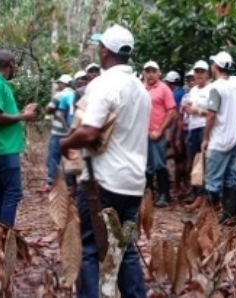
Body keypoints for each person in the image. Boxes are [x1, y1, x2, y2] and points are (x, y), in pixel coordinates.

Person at [60, 24, 150, 298]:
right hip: (132, 183)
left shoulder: (103, 84)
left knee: (89, 247)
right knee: (123, 247)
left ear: (105, 51)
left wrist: (64, 143)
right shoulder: (140, 89)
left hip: (103, 183)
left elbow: (89, 132)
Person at [0, 49, 39, 227]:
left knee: (3, 191)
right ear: (11, 65)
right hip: (3, 146)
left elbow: (4, 114)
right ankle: (6, 237)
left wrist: (21, 113)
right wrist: (24, 117)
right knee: (13, 192)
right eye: (16, 67)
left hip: (5, 145)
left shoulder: (0, 84)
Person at [202, 51, 236, 224]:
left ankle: (207, 219)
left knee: (212, 181)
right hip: (234, 138)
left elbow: (211, 115)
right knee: (230, 178)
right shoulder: (235, 86)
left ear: (215, 66)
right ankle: (230, 215)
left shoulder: (215, 88)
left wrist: (205, 138)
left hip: (219, 141)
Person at [143, 61, 177, 207]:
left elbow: (172, 112)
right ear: (144, 73)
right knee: (146, 166)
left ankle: (165, 195)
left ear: (159, 73)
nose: (150, 74)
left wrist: (160, 130)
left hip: (157, 134)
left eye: (153, 71)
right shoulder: (140, 88)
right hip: (143, 135)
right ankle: (148, 195)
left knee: (159, 165)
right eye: (148, 71)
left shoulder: (164, 89)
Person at [182, 61, 213, 208]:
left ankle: (205, 197)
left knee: (204, 163)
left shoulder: (211, 89)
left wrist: (197, 111)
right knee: (195, 163)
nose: (199, 74)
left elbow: (214, 113)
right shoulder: (193, 91)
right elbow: (189, 109)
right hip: (192, 129)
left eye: (202, 72)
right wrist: (188, 109)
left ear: (207, 74)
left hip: (204, 128)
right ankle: (197, 195)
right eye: (197, 72)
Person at [41, 75, 77, 192]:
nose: (58, 85)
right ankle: (69, 184)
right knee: (69, 159)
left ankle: (50, 183)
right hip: (71, 133)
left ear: (64, 84)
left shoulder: (60, 95)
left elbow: (48, 109)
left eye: (60, 83)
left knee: (53, 158)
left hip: (58, 132)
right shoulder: (76, 94)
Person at [165, 71, 189, 199]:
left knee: (179, 160)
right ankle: (185, 184)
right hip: (186, 129)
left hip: (178, 131)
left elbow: (175, 115)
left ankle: (178, 186)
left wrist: (173, 134)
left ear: (169, 83)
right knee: (185, 159)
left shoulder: (174, 95)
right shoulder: (184, 93)